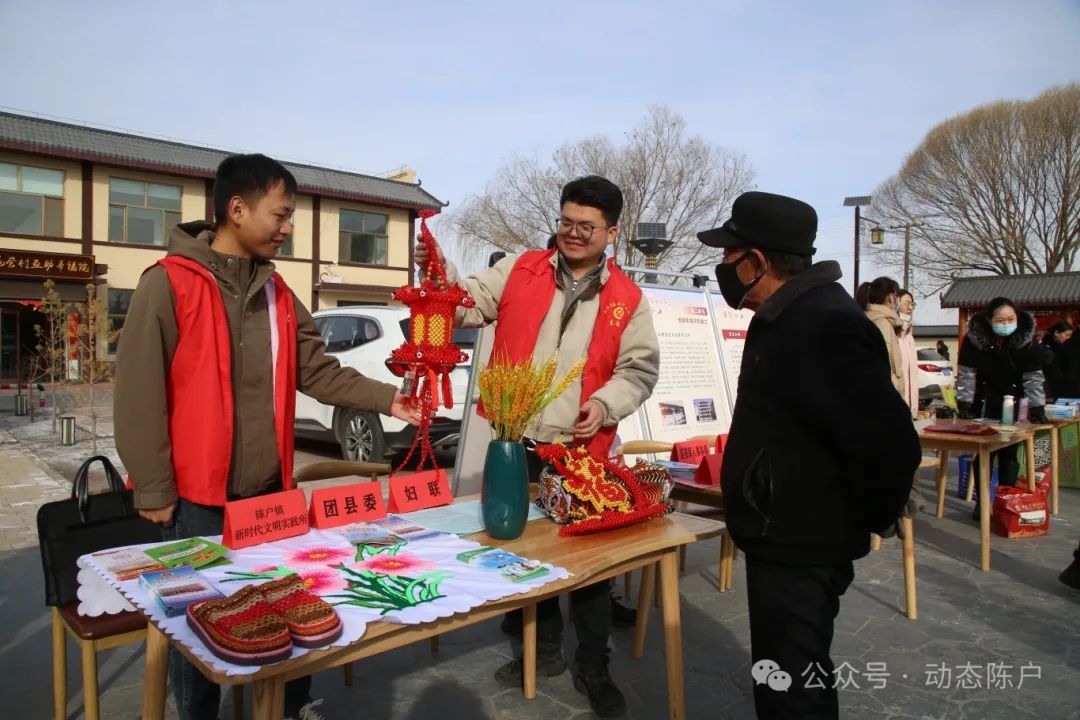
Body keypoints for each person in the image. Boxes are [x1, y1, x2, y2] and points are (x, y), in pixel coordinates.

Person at [114, 154, 420, 720]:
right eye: (280, 215)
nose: (287, 228)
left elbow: (317, 370)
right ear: (237, 209)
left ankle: (286, 708)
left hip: (269, 495)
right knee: (197, 623)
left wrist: (388, 399)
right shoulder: (169, 284)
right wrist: (153, 487)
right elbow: (138, 392)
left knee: (285, 607)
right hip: (196, 500)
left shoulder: (277, 291)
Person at [415, 175, 659, 718]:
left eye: (586, 226)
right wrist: (439, 271)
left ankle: (594, 665)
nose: (573, 233)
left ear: (611, 233)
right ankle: (542, 649)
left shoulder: (628, 299)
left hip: (581, 452)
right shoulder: (520, 269)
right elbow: (464, 303)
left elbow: (639, 370)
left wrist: (605, 404)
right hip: (514, 441)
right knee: (524, 553)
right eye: (566, 221)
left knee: (590, 571)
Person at [698, 191, 919, 719]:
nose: (723, 267)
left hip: (803, 541)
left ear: (758, 261)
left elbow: (891, 443)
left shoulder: (824, 323)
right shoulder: (787, 314)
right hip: (784, 533)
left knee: (794, 688)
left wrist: (862, 517)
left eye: (730, 256)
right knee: (782, 676)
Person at [956, 297, 1047, 514]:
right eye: (1000, 320)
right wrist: (965, 402)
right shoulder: (975, 339)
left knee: (1009, 453)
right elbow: (967, 373)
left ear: (1017, 317)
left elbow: (1033, 377)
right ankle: (982, 503)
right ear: (989, 320)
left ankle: (1005, 503)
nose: (1006, 324)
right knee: (985, 453)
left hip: (1014, 401)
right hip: (984, 401)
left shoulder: (1027, 339)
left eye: (1010, 319)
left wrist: (1037, 406)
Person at [855, 277, 905, 396]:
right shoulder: (882, 323)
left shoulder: (866, 318)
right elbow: (884, 362)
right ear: (891, 297)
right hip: (885, 392)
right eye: (897, 295)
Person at [896, 290, 920, 417]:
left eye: (912, 304)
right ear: (896, 303)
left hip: (909, 408)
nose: (910, 308)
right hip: (897, 406)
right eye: (907, 303)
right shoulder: (893, 333)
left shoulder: (909, 336)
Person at [1039, 321, 1072, 401]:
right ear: (1056, 333)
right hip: (1047, 392)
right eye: (1066, 335)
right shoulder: (1046, 350)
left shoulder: (1061, 348)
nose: (1068, 338)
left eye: (1070, 335)